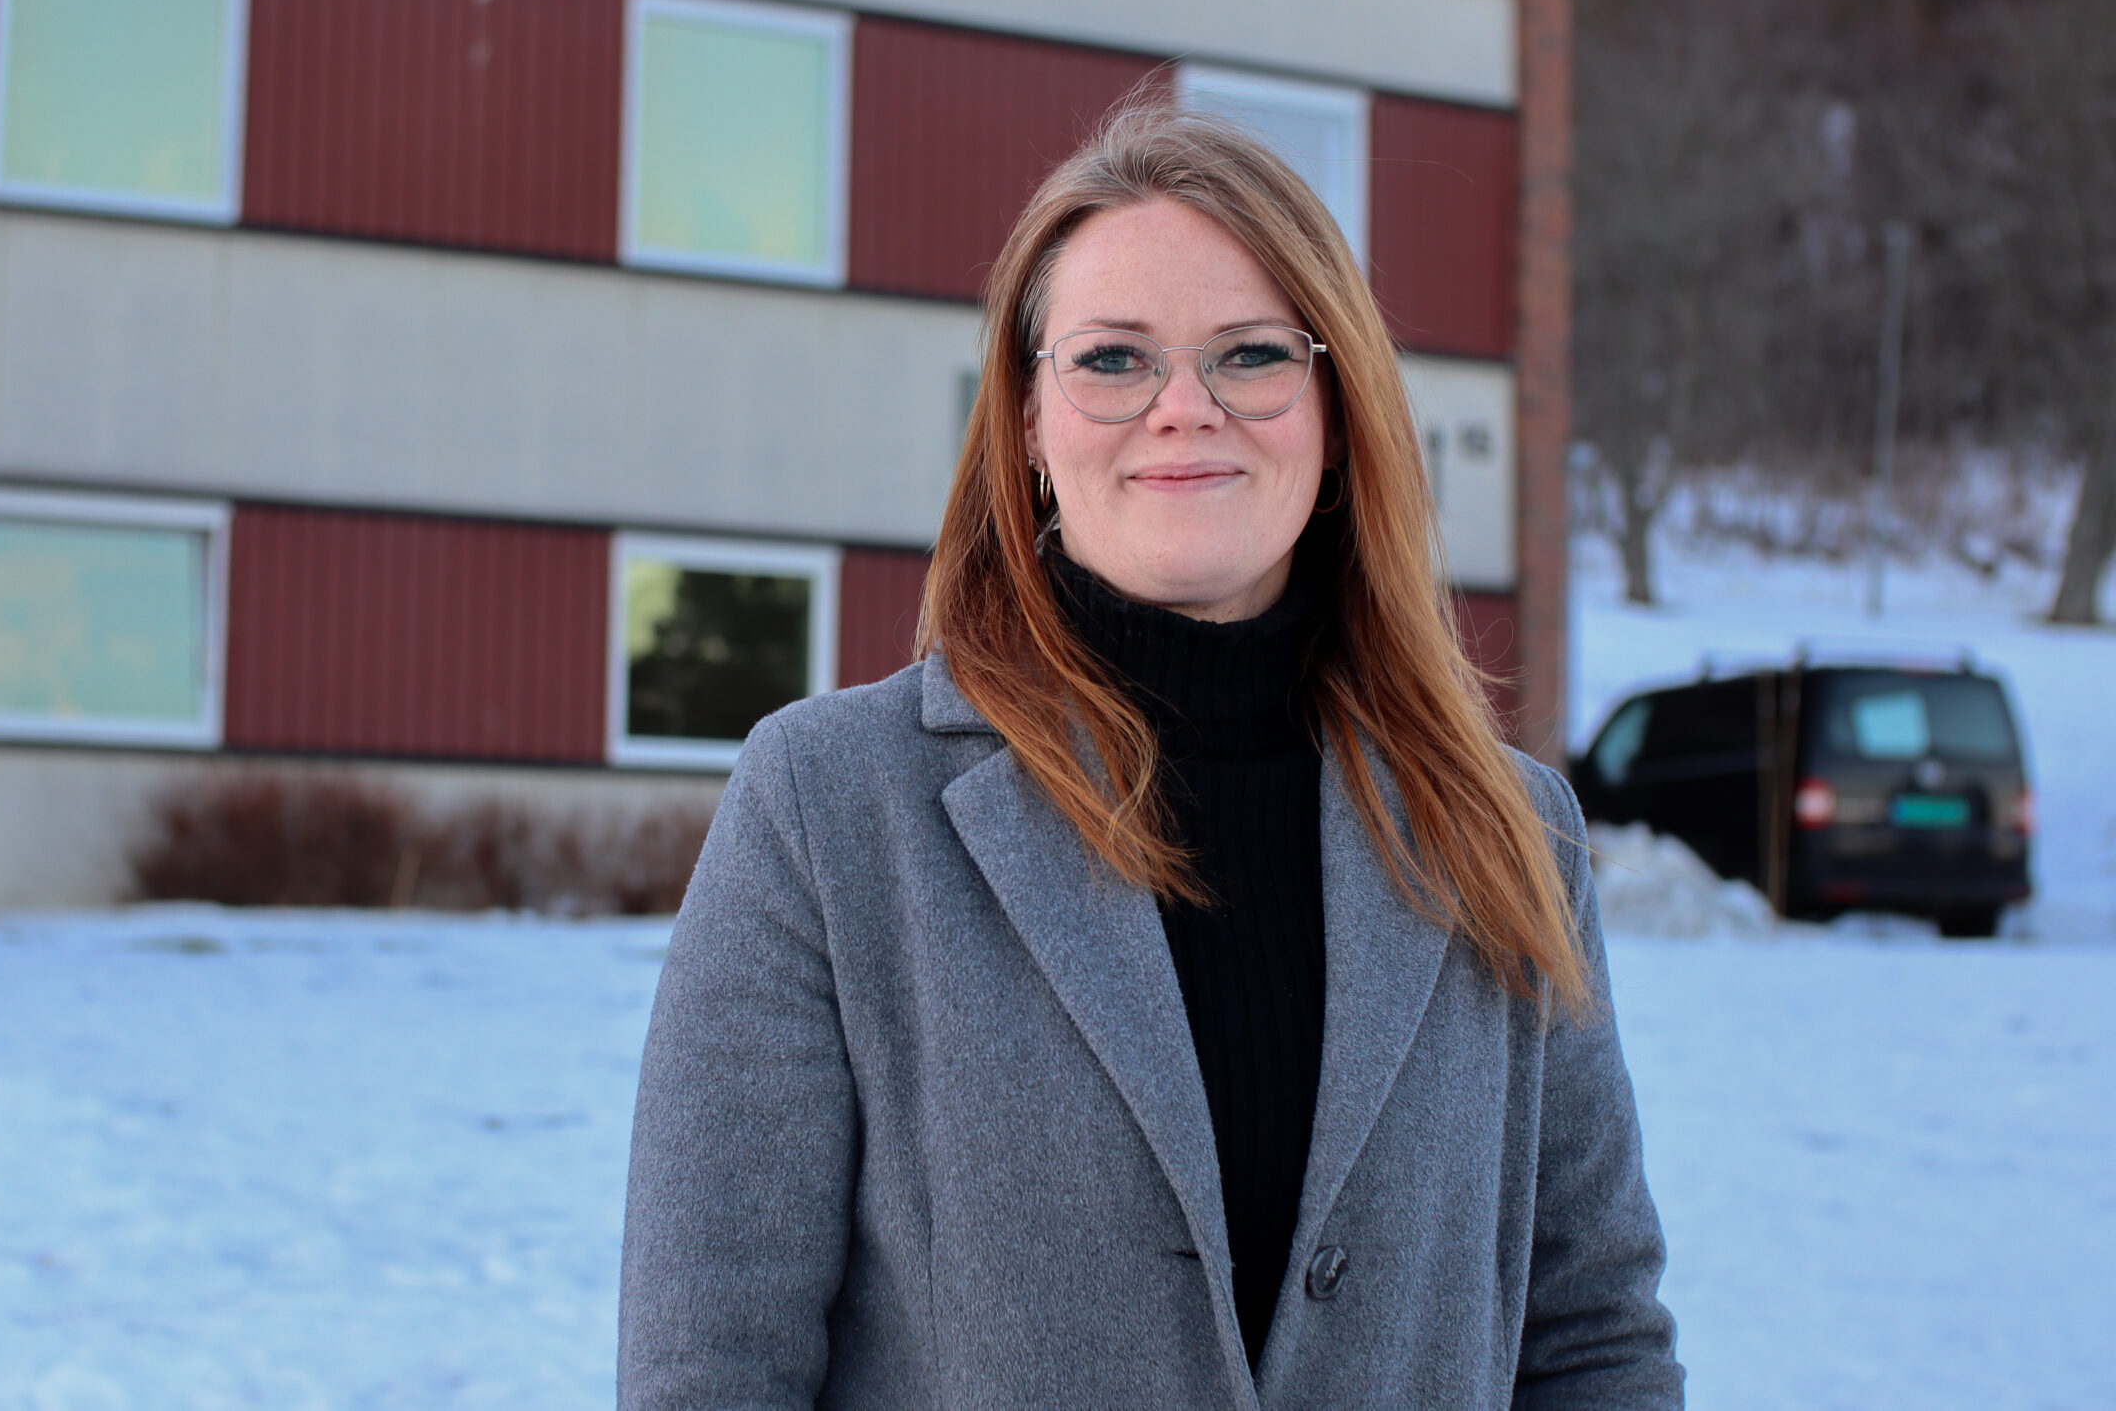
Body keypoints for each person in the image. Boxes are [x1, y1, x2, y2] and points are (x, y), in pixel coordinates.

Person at [618, 102, 1684, 1410]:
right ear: (1026, 419)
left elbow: (1592, 1339)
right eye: (1113, 359)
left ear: (1337, 409)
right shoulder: (829, 808)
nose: (1185, 408)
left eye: (1251, 354)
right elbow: (709, 1370)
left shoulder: (1509, 832)